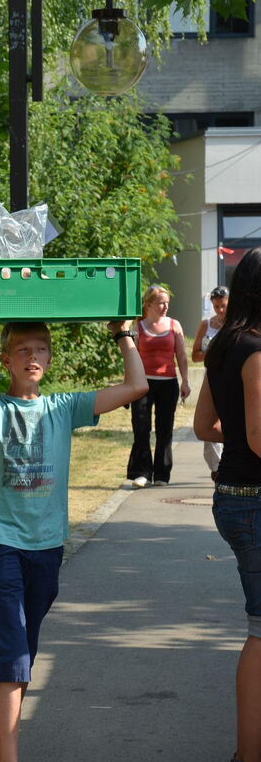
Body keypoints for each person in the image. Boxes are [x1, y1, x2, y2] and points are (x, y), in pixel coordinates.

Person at [0, 308, 148, 762]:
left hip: (47, 548)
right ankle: (10, 755)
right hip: (0, 546)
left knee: (24, 650)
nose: (32, 357)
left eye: (40, 350)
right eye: (22, 350)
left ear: (50, 359)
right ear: (6, 360)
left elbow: (137, 387)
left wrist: (123, 334)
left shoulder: (63, 407)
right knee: (11, 653)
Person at [194, 247, 261, 762]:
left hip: (232, 495)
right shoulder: (257, 350)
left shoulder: (222, 345)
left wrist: (237, 436)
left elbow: (204, 427)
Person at [126, 284, 191, 488]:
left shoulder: (174, 325)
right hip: (142, 384)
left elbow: (181, 355)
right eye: (161, 303)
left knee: (165, 430)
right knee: (141, 428)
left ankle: (162, 474)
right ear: (149, 304)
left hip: (168, 383)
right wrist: (127, 385)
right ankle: (141, 472)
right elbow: (131, 357)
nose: (165, 307)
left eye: (167, 303)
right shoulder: (139, 326)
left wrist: (185, 381)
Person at [191, 285, 229, 481]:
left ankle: (230, 463)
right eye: (216, 307)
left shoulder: (236, 324)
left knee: (230, 420)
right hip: (213, 379)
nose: (220, 311)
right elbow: (195, 355)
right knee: (209, 422)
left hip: (232, 379)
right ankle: (216, 467)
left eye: (223, 306)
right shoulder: (206, 325)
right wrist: (211, 353)